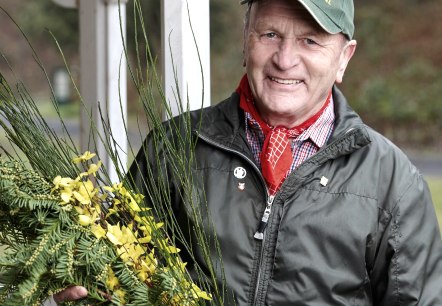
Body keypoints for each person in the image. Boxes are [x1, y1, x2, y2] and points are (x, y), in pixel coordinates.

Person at [54, 0, 442, 305]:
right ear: (245, 40)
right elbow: (114, 273)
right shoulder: (174, 147)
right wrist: (81, 287)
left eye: (310, 40)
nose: (285, 59)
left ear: (344, 58)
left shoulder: (394, 183)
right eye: (270, 34)